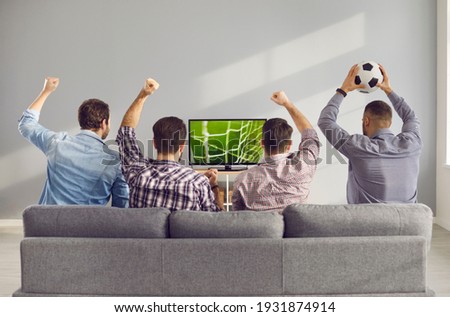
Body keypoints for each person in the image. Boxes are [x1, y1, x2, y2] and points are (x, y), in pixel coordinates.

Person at [317, 64, 422, 204]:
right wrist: (388, 90)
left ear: (366, 121)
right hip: (410, 221)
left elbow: (325, 121)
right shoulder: (412, 143)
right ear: (390, 122)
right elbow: (410, 117)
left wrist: (343, 90)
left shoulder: (358, 146)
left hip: (368, 223)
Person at [18, 77, 129, 207]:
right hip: (88, 227)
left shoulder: (57, 143)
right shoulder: (116, 161)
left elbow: (26, 124)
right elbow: (121, 211)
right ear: (104, 123)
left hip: (46, 225)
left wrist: (46, 91)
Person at [116, 78, 223, 211]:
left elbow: (126, 132)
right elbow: (216, 220)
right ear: (182, 146)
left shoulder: (137, 174)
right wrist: (214, 186)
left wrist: (143, 95)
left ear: (154, 143)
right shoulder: (198, 183)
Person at [232, 91, 320, 211]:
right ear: (289, 145)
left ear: (262, 144)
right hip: (294, 230)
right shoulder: (303, 166)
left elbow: (237, 218)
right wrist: (287, 104)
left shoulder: (242, 180)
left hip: (261, 229)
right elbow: (311, 136)